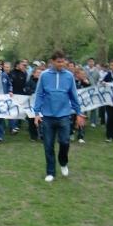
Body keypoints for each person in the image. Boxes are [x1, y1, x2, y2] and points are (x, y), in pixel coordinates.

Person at [33, 51, 85, 182]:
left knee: (65, 142)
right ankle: (50, 172)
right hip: (48, 116)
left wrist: (78, 113)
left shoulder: (69, 76)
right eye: (58, 61)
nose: (61, 64)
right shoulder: (44, 76)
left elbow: (73, 96)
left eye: (63, 61)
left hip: (64, 115)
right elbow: (39, 94)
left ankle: (63, 162)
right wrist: (36, 113)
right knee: (48, 145)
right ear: (52, 61)